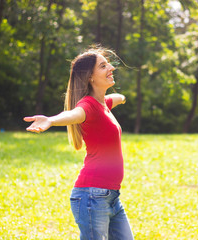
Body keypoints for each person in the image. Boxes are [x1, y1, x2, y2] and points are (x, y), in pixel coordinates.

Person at [24, 46, 134, 240]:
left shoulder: (103, 104)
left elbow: (115, 98)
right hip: (92, 196)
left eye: (108, 63)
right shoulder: (88, 105)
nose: (111, 68)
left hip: (110, 196)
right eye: (103, 66)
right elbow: (73, 114)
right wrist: (51, 120)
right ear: (90, 77)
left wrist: (122, 98)